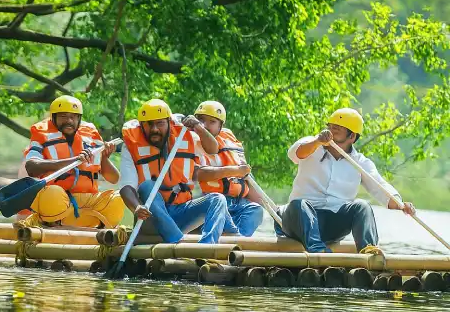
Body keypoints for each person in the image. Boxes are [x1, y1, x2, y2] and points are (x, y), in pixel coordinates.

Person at [277, 107, 416, 253]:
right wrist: (318, 142)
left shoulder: (360, 162)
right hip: (299, 220)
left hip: (332, 225)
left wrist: (401, 204)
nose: (333, 130)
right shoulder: (312, 143)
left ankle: (368, 250)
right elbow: (294, 153)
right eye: (331, 126)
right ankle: (318, 251)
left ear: (352, 136)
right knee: (299, 205)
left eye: (339, 128)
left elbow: (380, 187)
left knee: (362, 206)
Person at [119, 99, 232, 244]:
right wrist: (136, 207)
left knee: (218, 200)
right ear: (141, 126)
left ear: (169, 122)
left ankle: (207, 247)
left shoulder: (185, 135)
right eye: (149, 124)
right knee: (147, 186)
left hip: (181, 211)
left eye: (160, 123)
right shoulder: (130, 146)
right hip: (150, 218)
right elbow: (126, 187)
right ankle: (179, 243)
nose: (154, 129)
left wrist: (198, 127)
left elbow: (213, 149)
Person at [19, 95, 124, 228]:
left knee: (118, 198)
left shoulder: (90, 135)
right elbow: (31, 167)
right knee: (52, 193)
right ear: (53, 117)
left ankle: (100, 228)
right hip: (58, 202)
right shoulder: (41, 134)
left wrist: (104, 157)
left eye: (73, 117)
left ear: (79, 119)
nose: (69, 121)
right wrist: (74, 160)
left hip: (88, 201)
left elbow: (114, 179)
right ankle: (52, 223)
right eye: (63, 116)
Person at [193, 100, 265, 236]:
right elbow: (197, 174)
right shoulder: (191, 141)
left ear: (221, 126)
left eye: (212, 122)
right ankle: (234, 238)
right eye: (201, 120)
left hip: (236, 203)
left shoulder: (228, 140)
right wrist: (234, 171)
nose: (205, 125)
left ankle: (236, 239)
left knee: (256, 210)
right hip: (209, 201)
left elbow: (245, 178)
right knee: (218, 207)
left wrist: (264, 205)